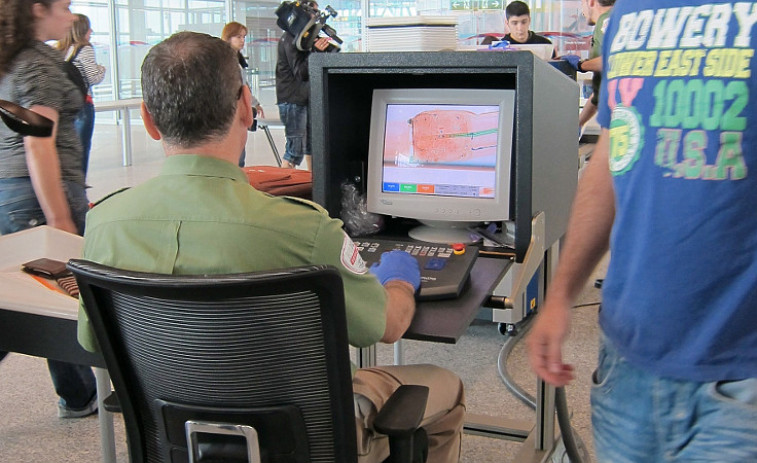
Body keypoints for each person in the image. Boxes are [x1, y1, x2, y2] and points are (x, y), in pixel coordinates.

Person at [77, 31, 465, 463]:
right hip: (305, 442)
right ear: (246, 105)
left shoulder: (104, 223)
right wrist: (399, 278)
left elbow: (92, 338)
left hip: (180, 441)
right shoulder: (304, 229)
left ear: (149, 120)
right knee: (444, 385)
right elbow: (385, 327)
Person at [526, 0, 757, 461]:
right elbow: (611, 164)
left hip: (742, 377)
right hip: (627, 362)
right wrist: (560, 295)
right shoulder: (629, 16)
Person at [0, 0, 97, 419]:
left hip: (11, 193)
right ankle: (78, 395)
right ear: (36, 9)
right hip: (37, 196)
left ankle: (78, 394)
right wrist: (59, 220)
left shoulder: (12, 58)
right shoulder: (36, 64)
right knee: (61, 294)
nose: (71, 15)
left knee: (26, 292)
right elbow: (37, 142)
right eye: (64, 5)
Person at [275, 1, 331, 170]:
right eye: (313, 11)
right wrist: (315, 52)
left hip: (304, 99)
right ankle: (283, 188)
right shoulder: (291, 38)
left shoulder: (303, 37)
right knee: (294, 150)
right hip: (292, 100)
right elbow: (301, 72)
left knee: (312, 148)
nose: (316, 16)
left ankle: (313, 186)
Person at [55, 13, 106, 179]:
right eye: (89, 27)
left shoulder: (60, 50)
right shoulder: (85, 49)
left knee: (67, 151)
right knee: (82, 150)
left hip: (64, 107)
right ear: (82, 29)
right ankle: (80, 193)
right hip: (83, 105)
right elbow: (94, 77)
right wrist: (102, 69)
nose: (91, 30)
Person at [561, 0, 615, 136]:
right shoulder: (616, 18)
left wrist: (581, 65)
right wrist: (579, 122)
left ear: (590, 2)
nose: (582, 11)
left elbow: (613, 60)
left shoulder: (605, 21)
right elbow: (598, 93)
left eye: (581, 4)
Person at [221, 20, 264, 168]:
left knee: (239, 153)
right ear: (228, 37)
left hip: (237, 110)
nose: (242, 41)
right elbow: (238, 87)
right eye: (238, 37)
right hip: (230, 111)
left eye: (244, 37)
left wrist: (254, 103)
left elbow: (243, 86)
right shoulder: (225, 61)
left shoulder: (237, 59)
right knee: (236, 156)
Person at [481, 0, 555, 57]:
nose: (520, 28)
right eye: (514, 23)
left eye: (524, 22)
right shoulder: (501, 48)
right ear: (507, 23)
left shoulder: (545, 45)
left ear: (529, 20)